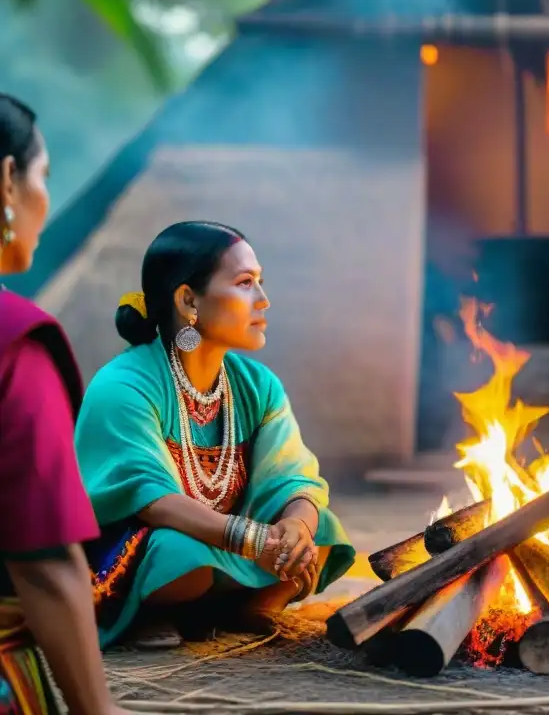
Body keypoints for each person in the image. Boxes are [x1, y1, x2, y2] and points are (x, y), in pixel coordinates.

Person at [75, 221, 356, 649]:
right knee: (179, 557)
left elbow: (292, 476)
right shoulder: (124, 385)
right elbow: (151, 498)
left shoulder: (257, 385)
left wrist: (296, 525)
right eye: (245, 283)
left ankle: (238, 611)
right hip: (140, 554)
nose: (264, 300)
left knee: (319, 533)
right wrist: (253, 539)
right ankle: (153, 613)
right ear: (189, 300)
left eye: (260, 282)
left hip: (227, 550)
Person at [0, 94, 127, 713]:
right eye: (43, 176)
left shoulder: (251, 386)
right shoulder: (16, 343)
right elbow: (46, 558)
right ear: (6, 180)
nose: (46, 200)